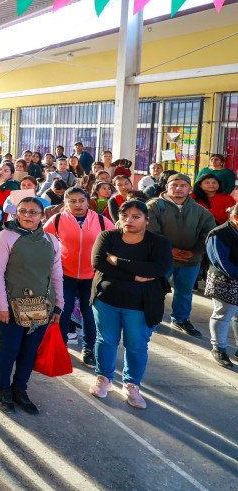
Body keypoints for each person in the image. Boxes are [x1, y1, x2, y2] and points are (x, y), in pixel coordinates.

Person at [89, 200, 173, 408]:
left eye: (136, 216)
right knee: (105, 340)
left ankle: (132, 385)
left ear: (147, 219)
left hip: (141, 305)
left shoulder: (158, 242)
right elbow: (98, 263)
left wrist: (119, 262)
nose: (129, 220)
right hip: (106, 301)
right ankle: (104, 379)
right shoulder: (108, 236)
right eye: (125, 216)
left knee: (136, 346)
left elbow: (158, 269)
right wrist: (134, 276)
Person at [0, 196, 64, 415]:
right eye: (23, 211)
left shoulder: (51, 240)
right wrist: (1, 306)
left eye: (33, 212)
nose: (27, 216)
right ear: (16, 213)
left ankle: (20, 388)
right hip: (11, 307)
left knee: (29, 351)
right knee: (10, 349)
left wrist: (59, 304)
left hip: (42, 306)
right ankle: (3, 388)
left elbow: (56, 274)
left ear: (43, 216)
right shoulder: (6, 237)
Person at [43, 187, 111, 368]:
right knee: (62, 313)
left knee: (89, 314)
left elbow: (115, 243)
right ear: (65, 203)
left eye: (81, 200)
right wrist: (52, 265)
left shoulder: (102, 221)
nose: (77, 204)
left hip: (92, 276)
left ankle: (89, 349)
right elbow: (43, 242)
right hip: (65, 275)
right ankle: (60, 346)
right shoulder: (56, 219)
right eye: (72, 201)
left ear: (88, 201)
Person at [146, 174, 216, 337]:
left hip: (190, 260)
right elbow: (150, 230)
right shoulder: (154, 206)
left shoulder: (200, 211)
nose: (178, 188)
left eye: (183, 185)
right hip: (161, 259)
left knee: (184, 292)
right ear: (167, 187)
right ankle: (152, 318)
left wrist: (195, 251)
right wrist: (169, 250)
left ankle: (180, 319)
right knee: (156, 290)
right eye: (174, 185)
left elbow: (209, 234)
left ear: (189, 188)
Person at [206, 204, 238, 367]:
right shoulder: (218, 234)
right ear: (236, 218)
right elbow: (221, 263)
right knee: (223, 314)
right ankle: (218, 348)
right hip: (224, 281)